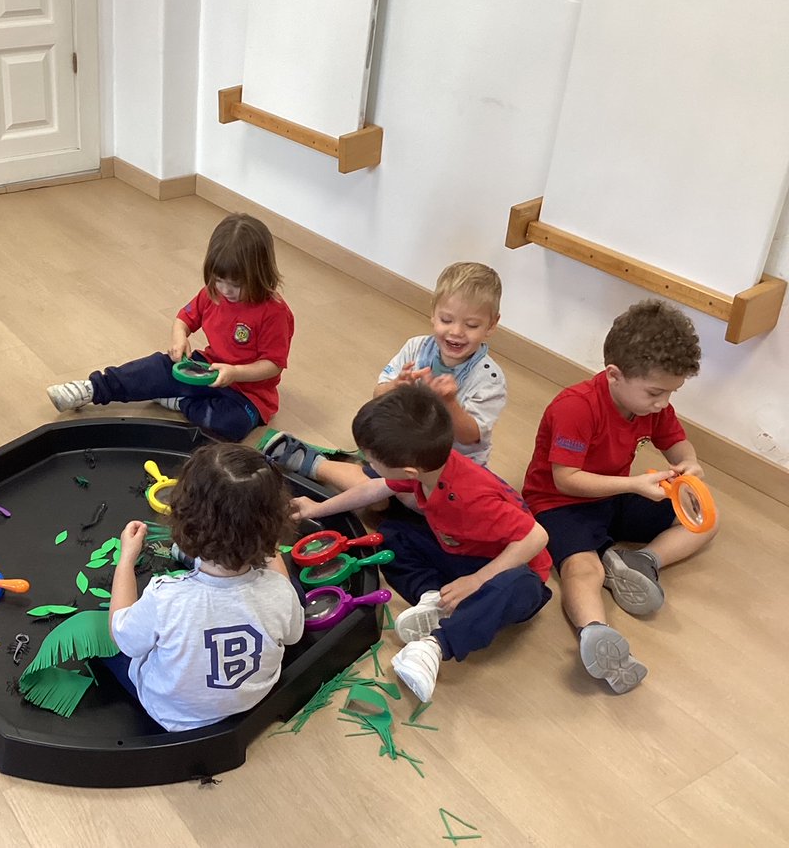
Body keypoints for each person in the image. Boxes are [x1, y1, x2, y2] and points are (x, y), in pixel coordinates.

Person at [290, 386, 552, 702]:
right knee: (393, 534)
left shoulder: (472, 497)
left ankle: (435, 646)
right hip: (465, 552)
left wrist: (478, 580)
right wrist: (315, 509)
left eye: (371, 457)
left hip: (511, 568)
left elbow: (536, 536)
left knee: (520, 586)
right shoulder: (429, 467)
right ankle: (433, 598)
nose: (366, 461)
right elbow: (373, 490)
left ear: (409, 470)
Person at [523, 299, 719, 694]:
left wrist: (690, 467)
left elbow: (678, 444)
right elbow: (566, 480)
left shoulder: (653, 406)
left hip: (615, 493)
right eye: (655, 392)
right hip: (560, 504)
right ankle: (596, 633)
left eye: (670, 392)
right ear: (614, 374)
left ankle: (641, 561)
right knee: (583, 569)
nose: (663, 403)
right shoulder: (575, 407)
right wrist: (631, 485)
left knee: (703, 519)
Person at [264, 262, 506, 499]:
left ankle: (341, 469)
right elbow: (378, 394)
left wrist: (450, 402)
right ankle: (314, 463)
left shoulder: (489, 378)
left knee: (409, 501)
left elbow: (470, 436)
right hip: (403, 454)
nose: (456, 332)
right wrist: (396, 387)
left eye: (471, 325)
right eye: (446, 320)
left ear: (491, 325)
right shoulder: (416, 347)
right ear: (432, 314)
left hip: (449, 472)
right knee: (385, 495)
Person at [106, 443, 305, 731]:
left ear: (183, 520)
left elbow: (121, 635)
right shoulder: (280, 592)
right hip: (253, 699)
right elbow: (294, 636)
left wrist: (126, 559)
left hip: (173, 714)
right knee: (293, 591)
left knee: (108, 646)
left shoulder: (164, 597)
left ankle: (197, 554)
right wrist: (266, 547)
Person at [46, 213, 294, 441]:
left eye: (236, 284)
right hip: (206, 368)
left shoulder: (274, 312)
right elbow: (183, 319)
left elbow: (272, 365)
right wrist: (179, 340)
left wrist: (235, 373)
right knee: (156, 367)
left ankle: (180, 402)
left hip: (246, 395)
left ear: (260, 274)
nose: (226, 290)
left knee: (229, 426)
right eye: (219, 281)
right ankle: (94, 388)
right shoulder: (212, 295)